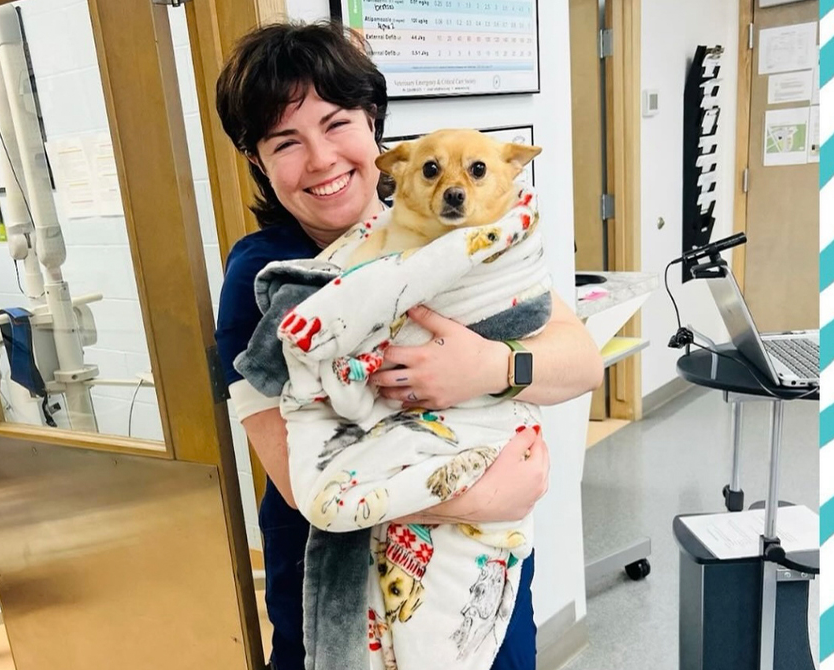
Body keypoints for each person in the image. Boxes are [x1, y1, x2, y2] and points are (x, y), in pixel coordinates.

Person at [214, 21, 604, 670]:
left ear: (374, 127)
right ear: (257, 160)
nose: (321, 159)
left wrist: (490, 367)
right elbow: (298, 476)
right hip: (347, 583)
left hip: (478, 575)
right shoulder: (264, 280)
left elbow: (581, 361)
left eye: (337, 123)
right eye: (286, 141)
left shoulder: (445, 229)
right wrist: (479, 496)